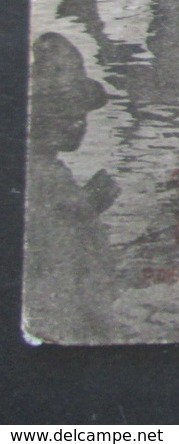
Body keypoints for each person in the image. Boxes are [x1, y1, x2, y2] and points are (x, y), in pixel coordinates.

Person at [24, 33, 119, 342]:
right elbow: (55, 269)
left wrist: (86, 205)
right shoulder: (43, 176)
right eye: (62, 113)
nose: (78, 123)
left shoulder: (45, 167)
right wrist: (87, 207)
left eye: (81, 112)